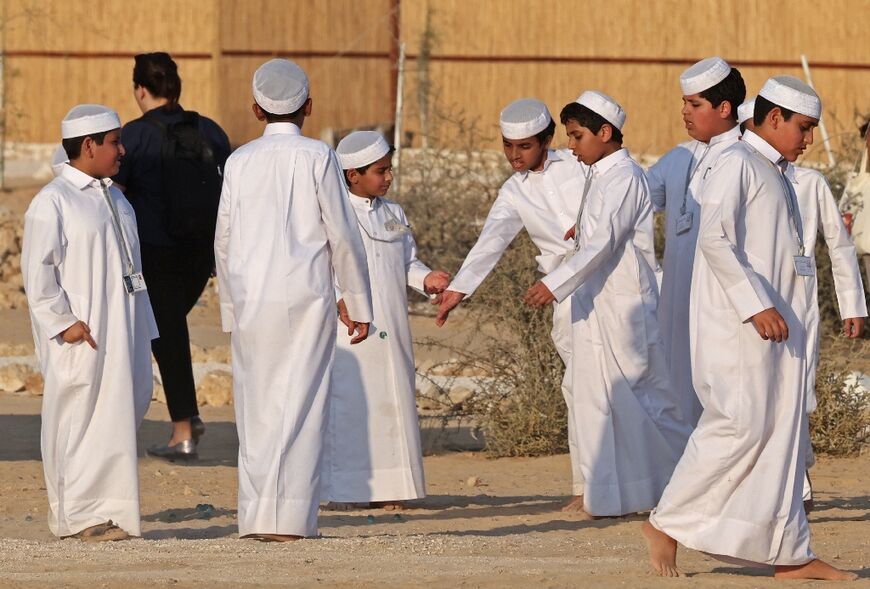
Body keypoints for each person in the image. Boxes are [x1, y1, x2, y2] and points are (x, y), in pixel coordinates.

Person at [642, 76, 858, 581]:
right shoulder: (736, 162)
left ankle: (790, 553)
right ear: (775, 116)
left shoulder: (776, 171)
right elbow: (714, 239)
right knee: (738, 424)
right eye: (804, 128)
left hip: (782, 329)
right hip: (741, 327)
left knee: (781, 433)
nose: (808, 140)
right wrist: (754, 304)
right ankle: (666, 523)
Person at [214, 59, 373, 542]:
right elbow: (341, 234)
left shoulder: (239, 160)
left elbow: (223, 238)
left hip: (251, 298)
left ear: (256, 110)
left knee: (256, 404)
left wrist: (229, 307)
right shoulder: (317, 156)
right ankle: (290, 522)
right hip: (306, 295)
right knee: (301, 403)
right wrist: (359, 303)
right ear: (308, 106)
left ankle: (257, 519)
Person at [523, 91, 691, 519]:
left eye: (577, 136)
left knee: (648, 396)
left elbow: (603, 244)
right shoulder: (601, 174)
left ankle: (691, 485)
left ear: (605, 132)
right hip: (595, 302)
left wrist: (554, 284)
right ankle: (623, 494)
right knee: (600, 398)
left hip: (624, 305)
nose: (572, 146)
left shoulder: (625, 176)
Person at [434, 98, 591, 512]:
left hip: (612, 286)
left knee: (628, 387)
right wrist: (459, 290)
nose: (514, 155)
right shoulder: (513, 192)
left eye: (523, 146)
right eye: (508, 146)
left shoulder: (581, 164)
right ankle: (587, 488)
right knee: (578, 387)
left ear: (547, 140)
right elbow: (491, 241)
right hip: (567, 296)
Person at [22, 104, 158, 541]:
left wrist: (145, 327)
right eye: (115, 142)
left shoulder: (116, 197)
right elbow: (37, 272)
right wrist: (64, 324)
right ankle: (77, 517)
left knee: (121, 413)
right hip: (82, 335)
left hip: (125, 329)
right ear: (88, 145)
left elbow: (132, 269)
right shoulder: (53, 201)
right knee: (79, 420)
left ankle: (110, 511)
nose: (122, 150)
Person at [321, 131, 449, 511]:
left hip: (391, 327)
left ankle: (392, 490)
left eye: (389, 169)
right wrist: (339, 298)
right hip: (350, 333)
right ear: (352, 175)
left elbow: (407, 262)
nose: (388, 177)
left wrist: (428, 280)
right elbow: (321, 267)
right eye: (380, 171)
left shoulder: (394, 213)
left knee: (392, 405)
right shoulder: (330, 212)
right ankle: (346, 492)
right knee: (350, 407)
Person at [113, 52, 231, 460]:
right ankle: (184, 423)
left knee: (163, 333)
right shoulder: (211, 131)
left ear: (140, 89)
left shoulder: (134, 136)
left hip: (155, 253)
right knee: (166, 331)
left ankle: (183, 428)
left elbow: (115, 195)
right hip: (201, 254)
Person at [646, 57, 745, 428]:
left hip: (722, 299)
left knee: (720, 393)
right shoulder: (678, 157)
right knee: (675, 388)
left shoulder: (746, 158)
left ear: (724, 108)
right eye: (684, 103)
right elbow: (637, 199)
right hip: (676, 297)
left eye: (695, 104)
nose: (684, 112)